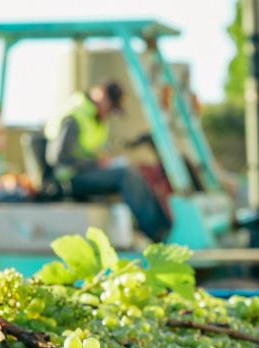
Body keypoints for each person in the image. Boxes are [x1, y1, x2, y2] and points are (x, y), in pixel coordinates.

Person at [43, 81, 172, 241]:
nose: (110, 114)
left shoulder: (95, 120)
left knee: (135, 172)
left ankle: (158, 227)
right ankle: (159, 233)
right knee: (125, 176)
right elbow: (58, 158)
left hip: (84, 172)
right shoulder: (75, 116)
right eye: (111, 108)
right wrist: (95, 163)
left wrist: (102, 161)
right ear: (102, 96)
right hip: (68, 177)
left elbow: (89, 150)